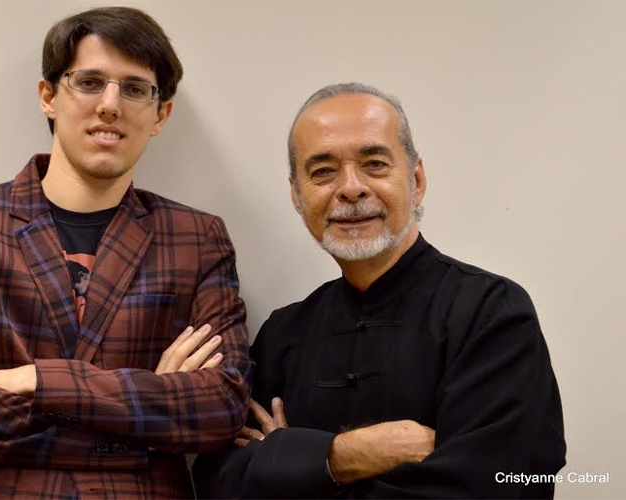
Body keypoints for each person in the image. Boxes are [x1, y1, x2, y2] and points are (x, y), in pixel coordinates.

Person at [0, 7, 251, 499]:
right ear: (49, 97)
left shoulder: (198, 237)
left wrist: (34, 379)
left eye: (134, 88)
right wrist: (146, 419)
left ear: (160, 114)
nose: (111, 105)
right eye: (89, 82)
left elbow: (221, 409)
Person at [192, 82, 565, 499]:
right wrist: (341, 455)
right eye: (322, 172)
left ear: (417, 179)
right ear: (297, 195)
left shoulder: (492, 313)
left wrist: (287, 462)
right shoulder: (284, 333)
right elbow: (216, 483)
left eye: (374, 164)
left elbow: (496, 485)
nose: (351, 188)